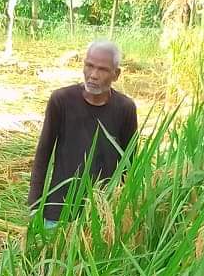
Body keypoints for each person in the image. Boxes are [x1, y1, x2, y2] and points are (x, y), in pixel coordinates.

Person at [27, 40, 138, 230]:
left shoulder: (125, 109)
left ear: (116, 74)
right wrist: (34, 203)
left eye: (102, 69)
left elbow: (130, 162)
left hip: (103, 213)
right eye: (89, 66)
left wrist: (125, 207)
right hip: (60, 209)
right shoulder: (61, 101)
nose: (93, 75)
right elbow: (43, 153)